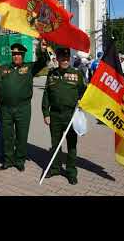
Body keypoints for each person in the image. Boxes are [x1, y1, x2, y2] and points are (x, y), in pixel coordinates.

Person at [0, 41, 48, 172]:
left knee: (22, 135)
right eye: (14, 54)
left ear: (23, 55)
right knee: (7, 135)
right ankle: (8, 160)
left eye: (19, 54)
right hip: (6, 108)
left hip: (23, 108)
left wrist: (42, 50)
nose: (16, 56)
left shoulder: (29, 67)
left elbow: (43, 62)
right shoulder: (4, 68)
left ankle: (20, 161)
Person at [42, 47, 86, 185]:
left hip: (70, 115)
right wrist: (46, 113)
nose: (65, 61)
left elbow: (83, 91)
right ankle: (55, 168)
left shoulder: (76, 74)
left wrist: (82, 102)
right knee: (55, 144)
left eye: (67, 58)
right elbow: (46, 95)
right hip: (55, 115)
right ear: (58, 59)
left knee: (72, 145)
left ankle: (71, 172)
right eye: (62, 58)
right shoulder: (51, 74)